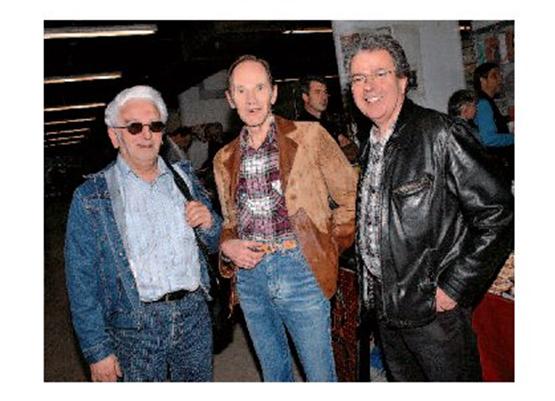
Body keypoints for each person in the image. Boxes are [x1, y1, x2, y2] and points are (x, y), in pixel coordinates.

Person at [346, 34, 514, 381]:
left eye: (380, 74)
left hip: (434, 313)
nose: (368, 86)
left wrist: (455, 287)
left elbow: (497, 212)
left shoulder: (440, 134)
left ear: (403, 81)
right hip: (386, 308)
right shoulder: (371, 143)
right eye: (359, 78)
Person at [213, 55, 357, 381]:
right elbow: (230, 221)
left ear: (274, 93)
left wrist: (328, 246)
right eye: (241, 90)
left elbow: (351, 197)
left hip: (301, 269)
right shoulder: (224, 159)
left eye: (259, 88)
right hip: (251, 279)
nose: (251, 99)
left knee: (320, 376)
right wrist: (227, 245)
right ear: (230, 99)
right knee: (274, 375)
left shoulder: (310, 137)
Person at [64, 85, 222, 382]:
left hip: (193, 317)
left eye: (155, 126)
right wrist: (97, 351)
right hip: (135, 326)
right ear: (115, 136)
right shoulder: (92, 197)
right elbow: (81, 281)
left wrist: (210, 224)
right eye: (134, 127)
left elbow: (214, 244)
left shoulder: (184, 179)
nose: (146, 135)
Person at [298, 75, 359, 163]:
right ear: (305, 97)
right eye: (318, 92)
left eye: (325, 92)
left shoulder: (328, 123)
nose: (324, 97)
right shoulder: (302, 127)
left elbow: (353, 151)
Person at [473, 62, 514, 181]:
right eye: (494, 75)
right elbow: (489, 139)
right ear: (482, 80)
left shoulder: (484, 101)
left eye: (499, 75)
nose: (500, 79)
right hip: (497, 166)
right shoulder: (483, 104)